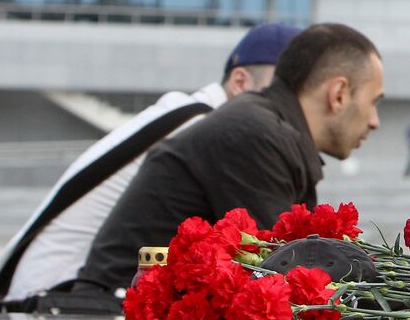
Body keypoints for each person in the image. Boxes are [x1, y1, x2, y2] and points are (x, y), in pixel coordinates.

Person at [0, 22, 301, 301]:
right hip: (58, 298)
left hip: (43, 288)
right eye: (284, 89)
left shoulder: (188, 113)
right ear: (240, 81)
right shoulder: (212, 130)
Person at [76, 22, 384, 294]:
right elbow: (284, 278)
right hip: (118, 314)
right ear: (339, 93)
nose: (374, 121)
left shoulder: (264, 125)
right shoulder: (256, 134)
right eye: (373, 102)